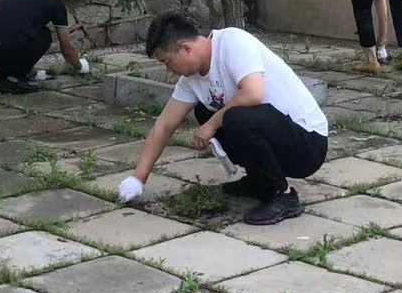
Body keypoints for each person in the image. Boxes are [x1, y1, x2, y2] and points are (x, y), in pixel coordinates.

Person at [115, 13, 329, 225]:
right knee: (205, 110)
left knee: (234, 117)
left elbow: (253, 94)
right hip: (276, 135)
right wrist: (138, 178)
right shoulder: (191, 80)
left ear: (186, 49)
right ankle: (260, 182)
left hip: (308, 143)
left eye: (167, 62)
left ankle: (284, 195)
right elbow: (163, 126)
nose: (169, 71)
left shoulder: (232, 42)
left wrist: (211, 125)